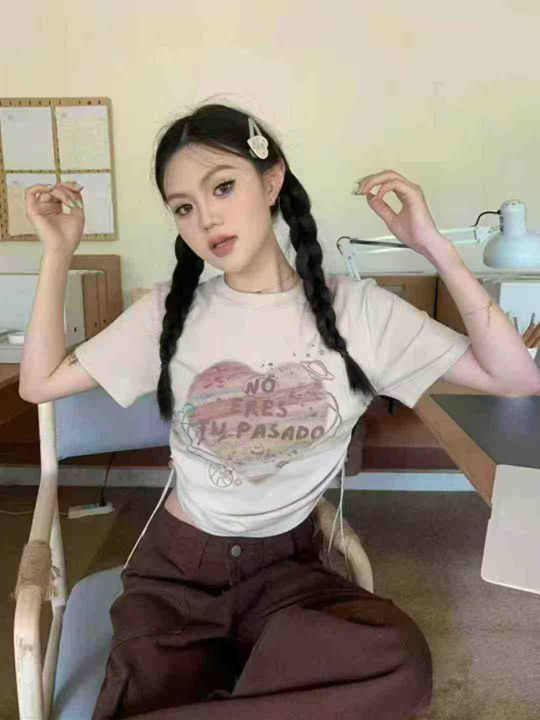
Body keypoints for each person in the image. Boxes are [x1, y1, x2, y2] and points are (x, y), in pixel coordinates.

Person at [21, 101, 473, 719]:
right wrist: (57, 253)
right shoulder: (168, 313)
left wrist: (433, 246)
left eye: (222, 187)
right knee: (149, 688)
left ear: (272, 178)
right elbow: (38, 383)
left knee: (398, 662)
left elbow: (516, 375)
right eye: (183, 207)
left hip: (290, 569)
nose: (206, 218)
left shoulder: (360, 312)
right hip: (178, 571)